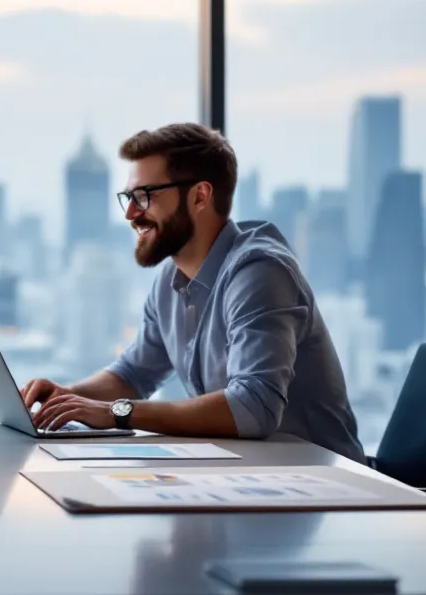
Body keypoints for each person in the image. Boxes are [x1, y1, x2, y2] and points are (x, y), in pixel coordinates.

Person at [22, 123, 364, 462]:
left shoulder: (260, 273)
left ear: (200, 196)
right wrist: (63, 399)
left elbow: (253, 408)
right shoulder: (171, 279)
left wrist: (116, 412)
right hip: (244, 475)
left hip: (325, 487)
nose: (130, 214)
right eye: (128, 197)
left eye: (146, 196)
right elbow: (133, 374)